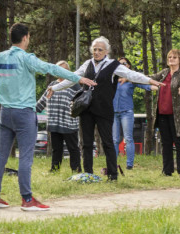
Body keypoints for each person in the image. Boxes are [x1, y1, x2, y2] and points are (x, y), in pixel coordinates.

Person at [0, 23, 96, 211]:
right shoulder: (27, 58)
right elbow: (51, 69)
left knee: (1, 155)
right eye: (29, 37)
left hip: (5, 113)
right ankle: (27, 199)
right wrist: (77, 78)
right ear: (25, 38)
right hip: (24, 114)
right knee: (26, 158)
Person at [52, 37, 162, 181]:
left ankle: (112, 175)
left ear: (106, 51)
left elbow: (131, 74)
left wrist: (149, 80)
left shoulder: (113, 65)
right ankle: (88, 174)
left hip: (104, 110)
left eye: (100, 50)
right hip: (87, 109)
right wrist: (54, 88)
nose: (96, 52)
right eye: (94, 49)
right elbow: (72, 78)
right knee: (86, 142)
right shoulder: (87, 64)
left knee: (108, 142)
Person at [149, 49, 180, 177]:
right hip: (162, 113)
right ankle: (167, 171)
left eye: (174, 57)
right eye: (170, 57)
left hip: (176, 115)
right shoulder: (164, 73)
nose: (171, 59)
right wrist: (131, 77)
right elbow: (150, 78)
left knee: (179, 143)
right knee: (165, 143)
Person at [36, 61, 82, 173]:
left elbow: (81, 101)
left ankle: (76, 170)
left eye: (64, 69)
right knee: (56, 149)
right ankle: (55, 169)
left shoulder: (74, 84)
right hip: (54, 122)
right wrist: (32, 111)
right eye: (58, 69)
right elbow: (43, 100)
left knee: (73, 148)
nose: (61, 72)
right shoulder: (52, 85)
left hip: (69, 122)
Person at [112, 57, 155, 170]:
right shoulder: (112, 79)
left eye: (124, 63)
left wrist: (154, 86)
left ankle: (129, 164)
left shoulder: (131, 80)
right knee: (115, 139)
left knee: (128, 138)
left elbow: (144, 84)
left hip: (127, 112)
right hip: (114, 112)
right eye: (119, 64)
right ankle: (113, 164)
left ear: (129, 66)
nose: (122, 65)